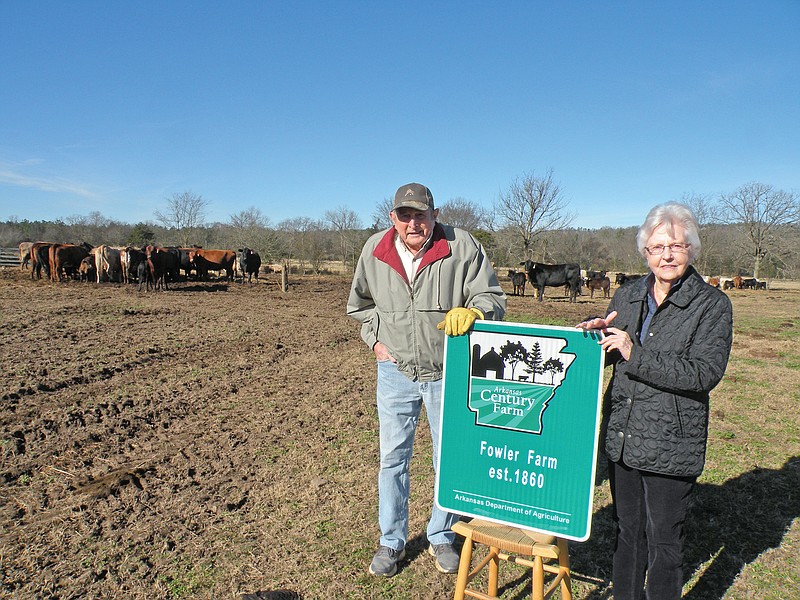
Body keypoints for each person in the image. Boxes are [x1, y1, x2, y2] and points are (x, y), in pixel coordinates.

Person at [347, 182, 507, 577]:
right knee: (392, 459)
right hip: (395, 372)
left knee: (447, 458)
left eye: (421, 214)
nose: (413, 223)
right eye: (405, 215)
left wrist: (477, 313)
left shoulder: (462, 245)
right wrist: (376, 342)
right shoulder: (375, 250)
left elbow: (492, 297)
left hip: (447, 372)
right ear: (393, 218)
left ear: (435, 215)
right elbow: (359, 305)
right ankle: (391, 541)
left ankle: (442, 535)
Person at [578, 202, 733, 600]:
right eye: (657, 246)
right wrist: (596, 339)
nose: (667, 255)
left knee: (665, 541)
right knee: (627, 533)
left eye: (677, 246)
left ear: (692, 250)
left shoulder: (712, 305)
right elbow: (616, 351)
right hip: (624, 435)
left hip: (671, 441)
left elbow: (704, 373)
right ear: (645, 251)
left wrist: (636, 352)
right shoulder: (627, 295)